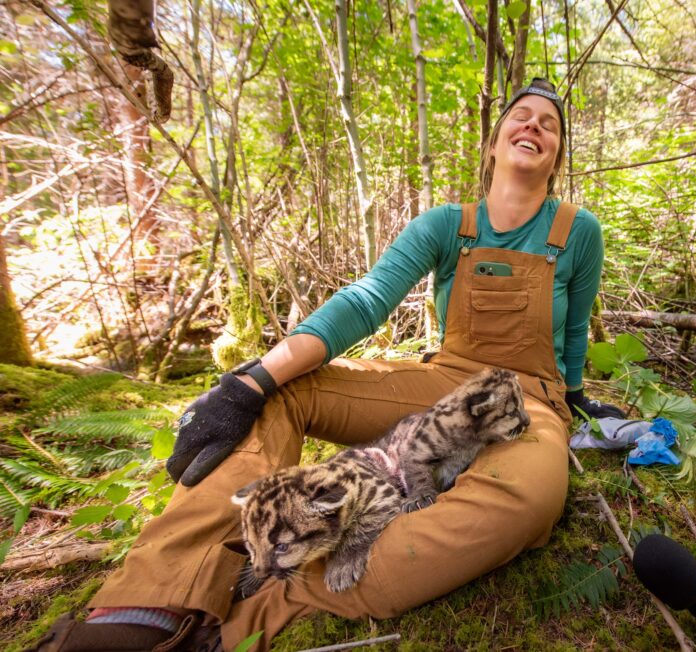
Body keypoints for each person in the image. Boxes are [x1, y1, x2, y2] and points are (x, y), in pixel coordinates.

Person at [32, 78, 624, 652]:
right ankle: (152, 604)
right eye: (520, 116)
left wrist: (573, 398)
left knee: (528, 501)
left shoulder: (579, 232)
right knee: (284, 392)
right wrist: (253, 379)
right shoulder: (447, 225)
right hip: (443, 382)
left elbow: (573, 331)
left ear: (555, 157)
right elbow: (367, 300)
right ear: (493, 143)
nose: (534, 126)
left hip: (526, 399)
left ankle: (270, 605)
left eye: (549, 125)